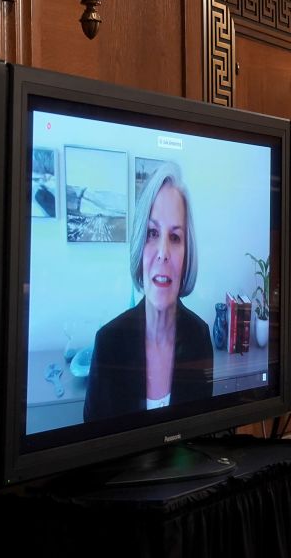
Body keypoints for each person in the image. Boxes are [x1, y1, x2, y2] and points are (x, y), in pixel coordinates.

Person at [84, 161, 213, 422]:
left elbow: (201, 437)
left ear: (187, 254)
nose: (163, 253)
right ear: (139, 245)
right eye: (152, 233)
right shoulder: (108, 343)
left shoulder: (200, 337)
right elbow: (94, 451)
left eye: (175, 237)